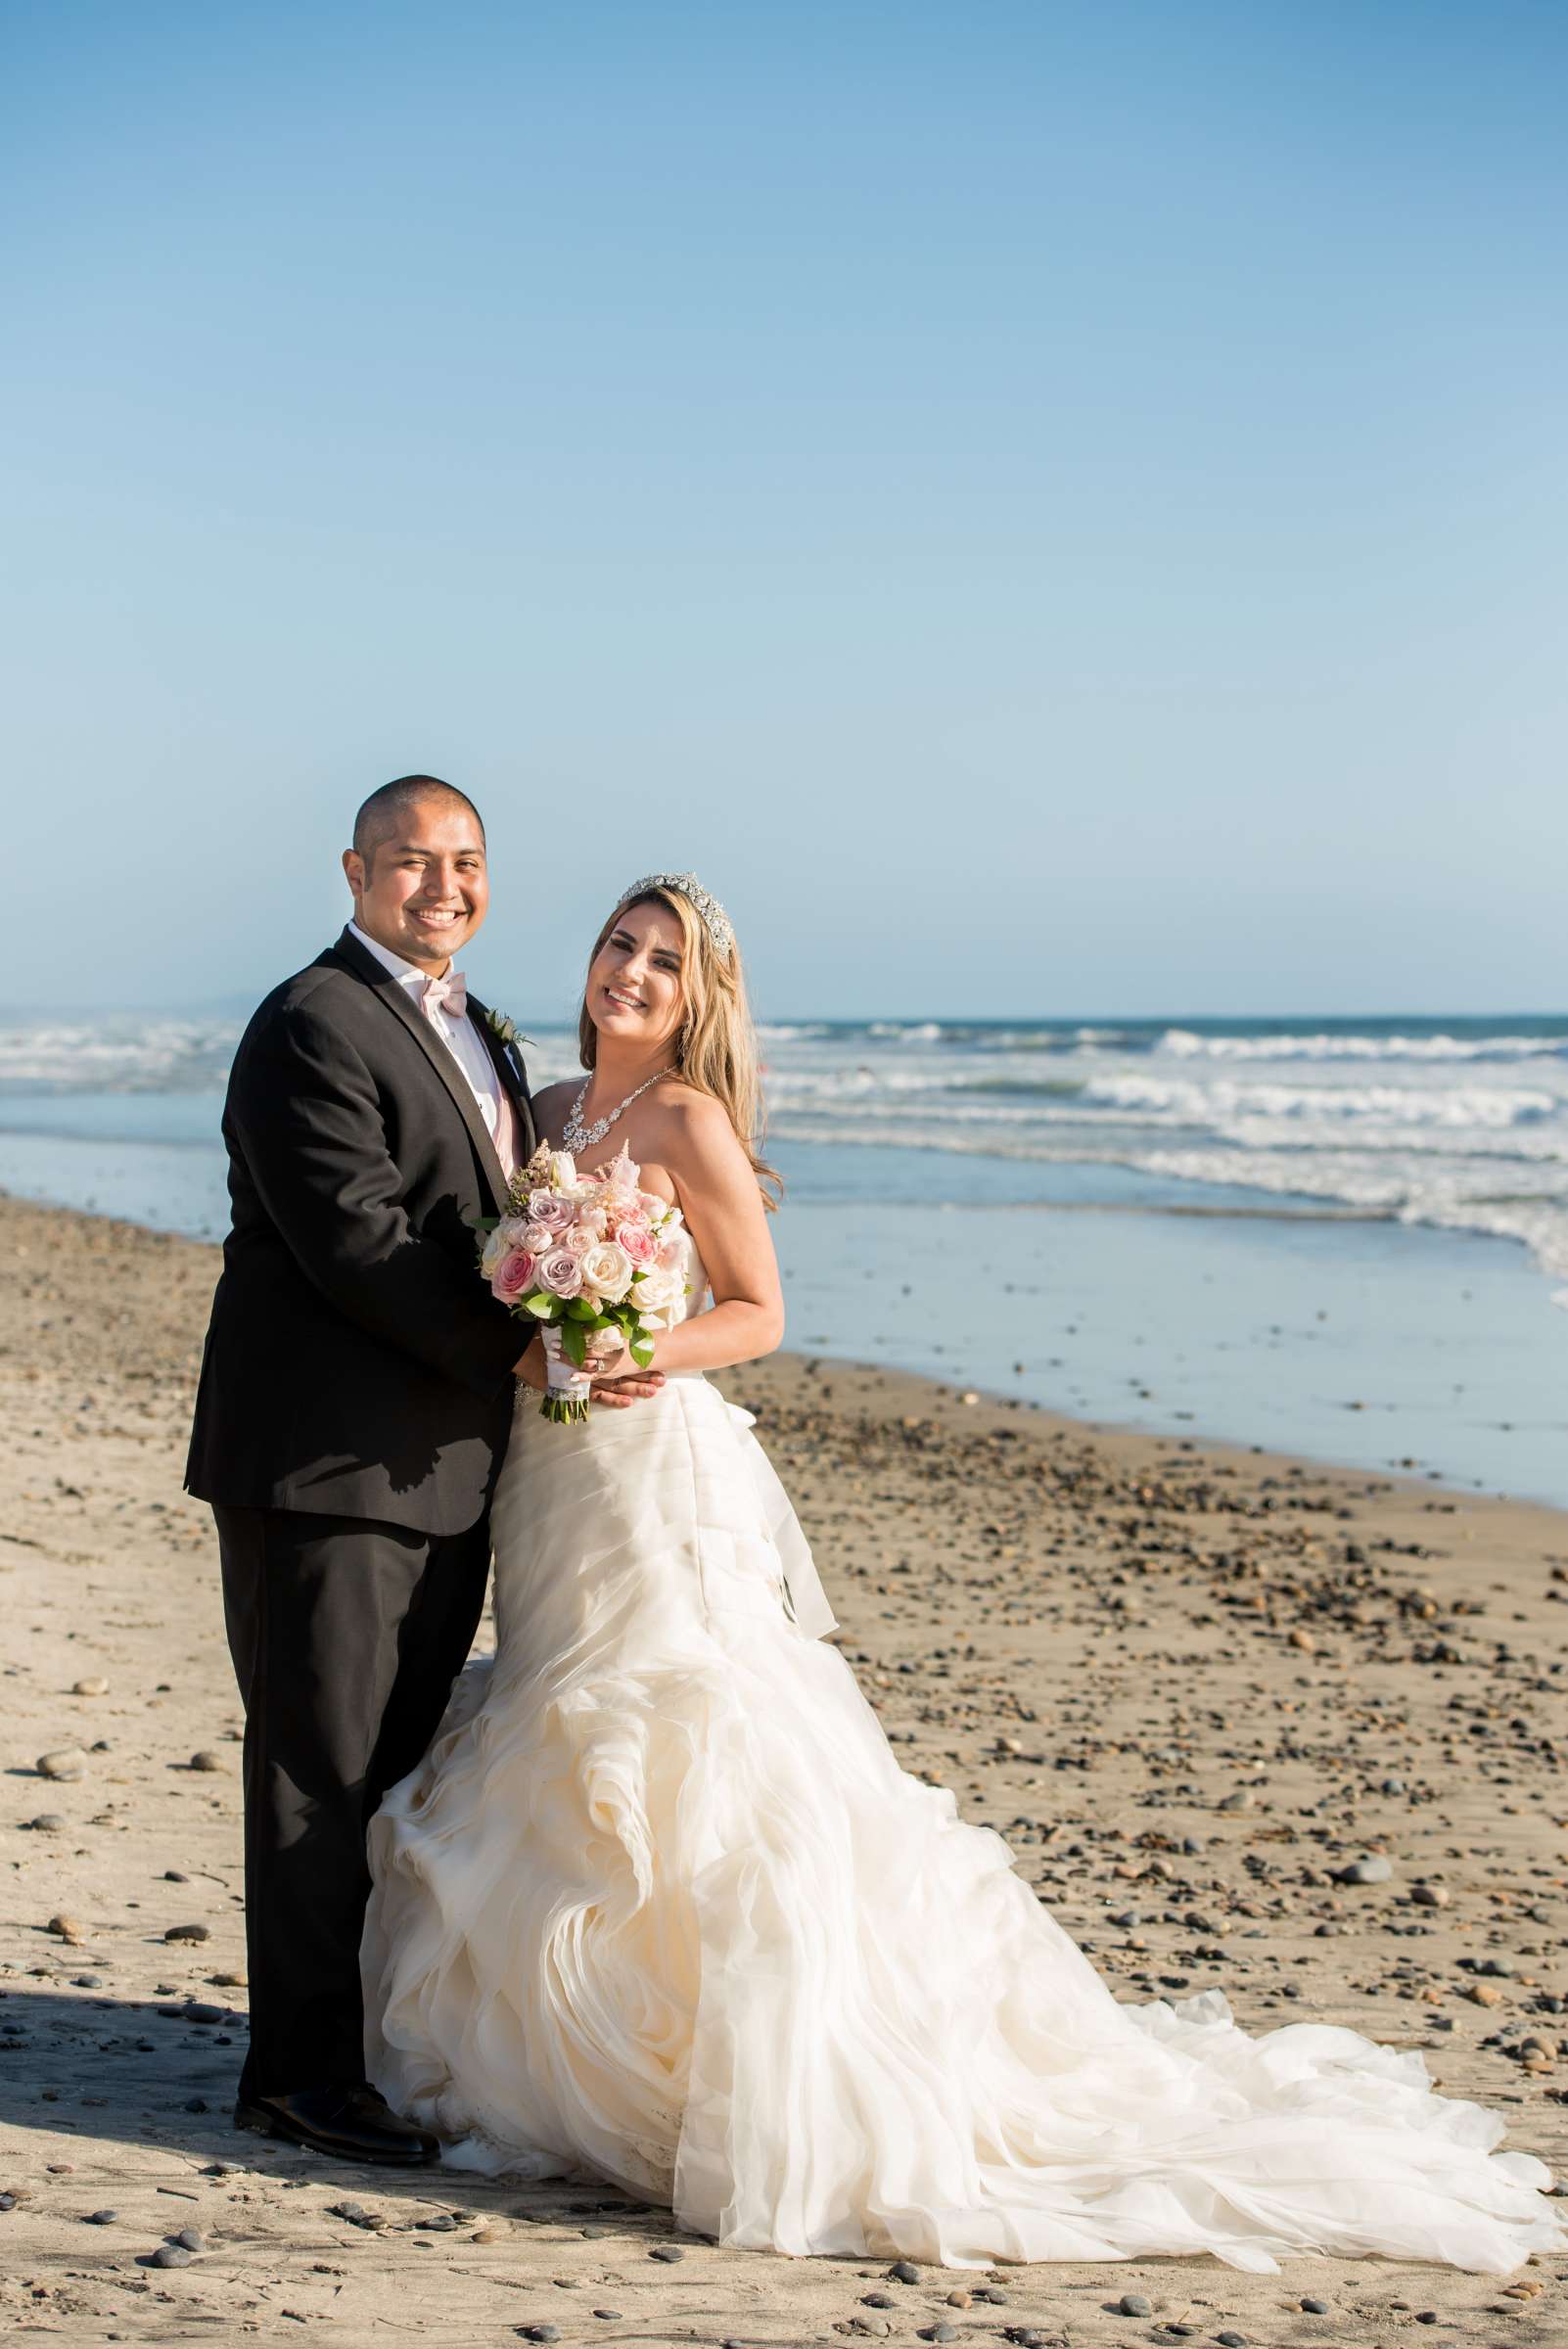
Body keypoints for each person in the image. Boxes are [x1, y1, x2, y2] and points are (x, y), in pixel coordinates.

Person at [362, 871, 1564, 2272]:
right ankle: (576, 2033)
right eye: (619, 946)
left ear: (701, 999)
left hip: (651, 1467)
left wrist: (641, 1344)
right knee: (559, 1713)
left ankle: (743, 2064)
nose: (630, 972)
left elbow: (757, 1312)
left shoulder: (689, 1120)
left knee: (688, 1721)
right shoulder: (552, 1109)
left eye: (664, 963)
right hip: (552, 1468)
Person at [185, 777, 662, 2165]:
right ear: (355, 870)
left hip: (441, 1466)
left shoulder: (482, 1035)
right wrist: (524, 1358)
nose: (441, 885)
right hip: (326, 1462)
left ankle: (371, 2047)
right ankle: (296, 2075)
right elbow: (356, 1237)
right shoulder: (312, 1021)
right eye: (411, 862)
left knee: (399, 1773)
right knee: (317, 1772)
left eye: (464, 863)